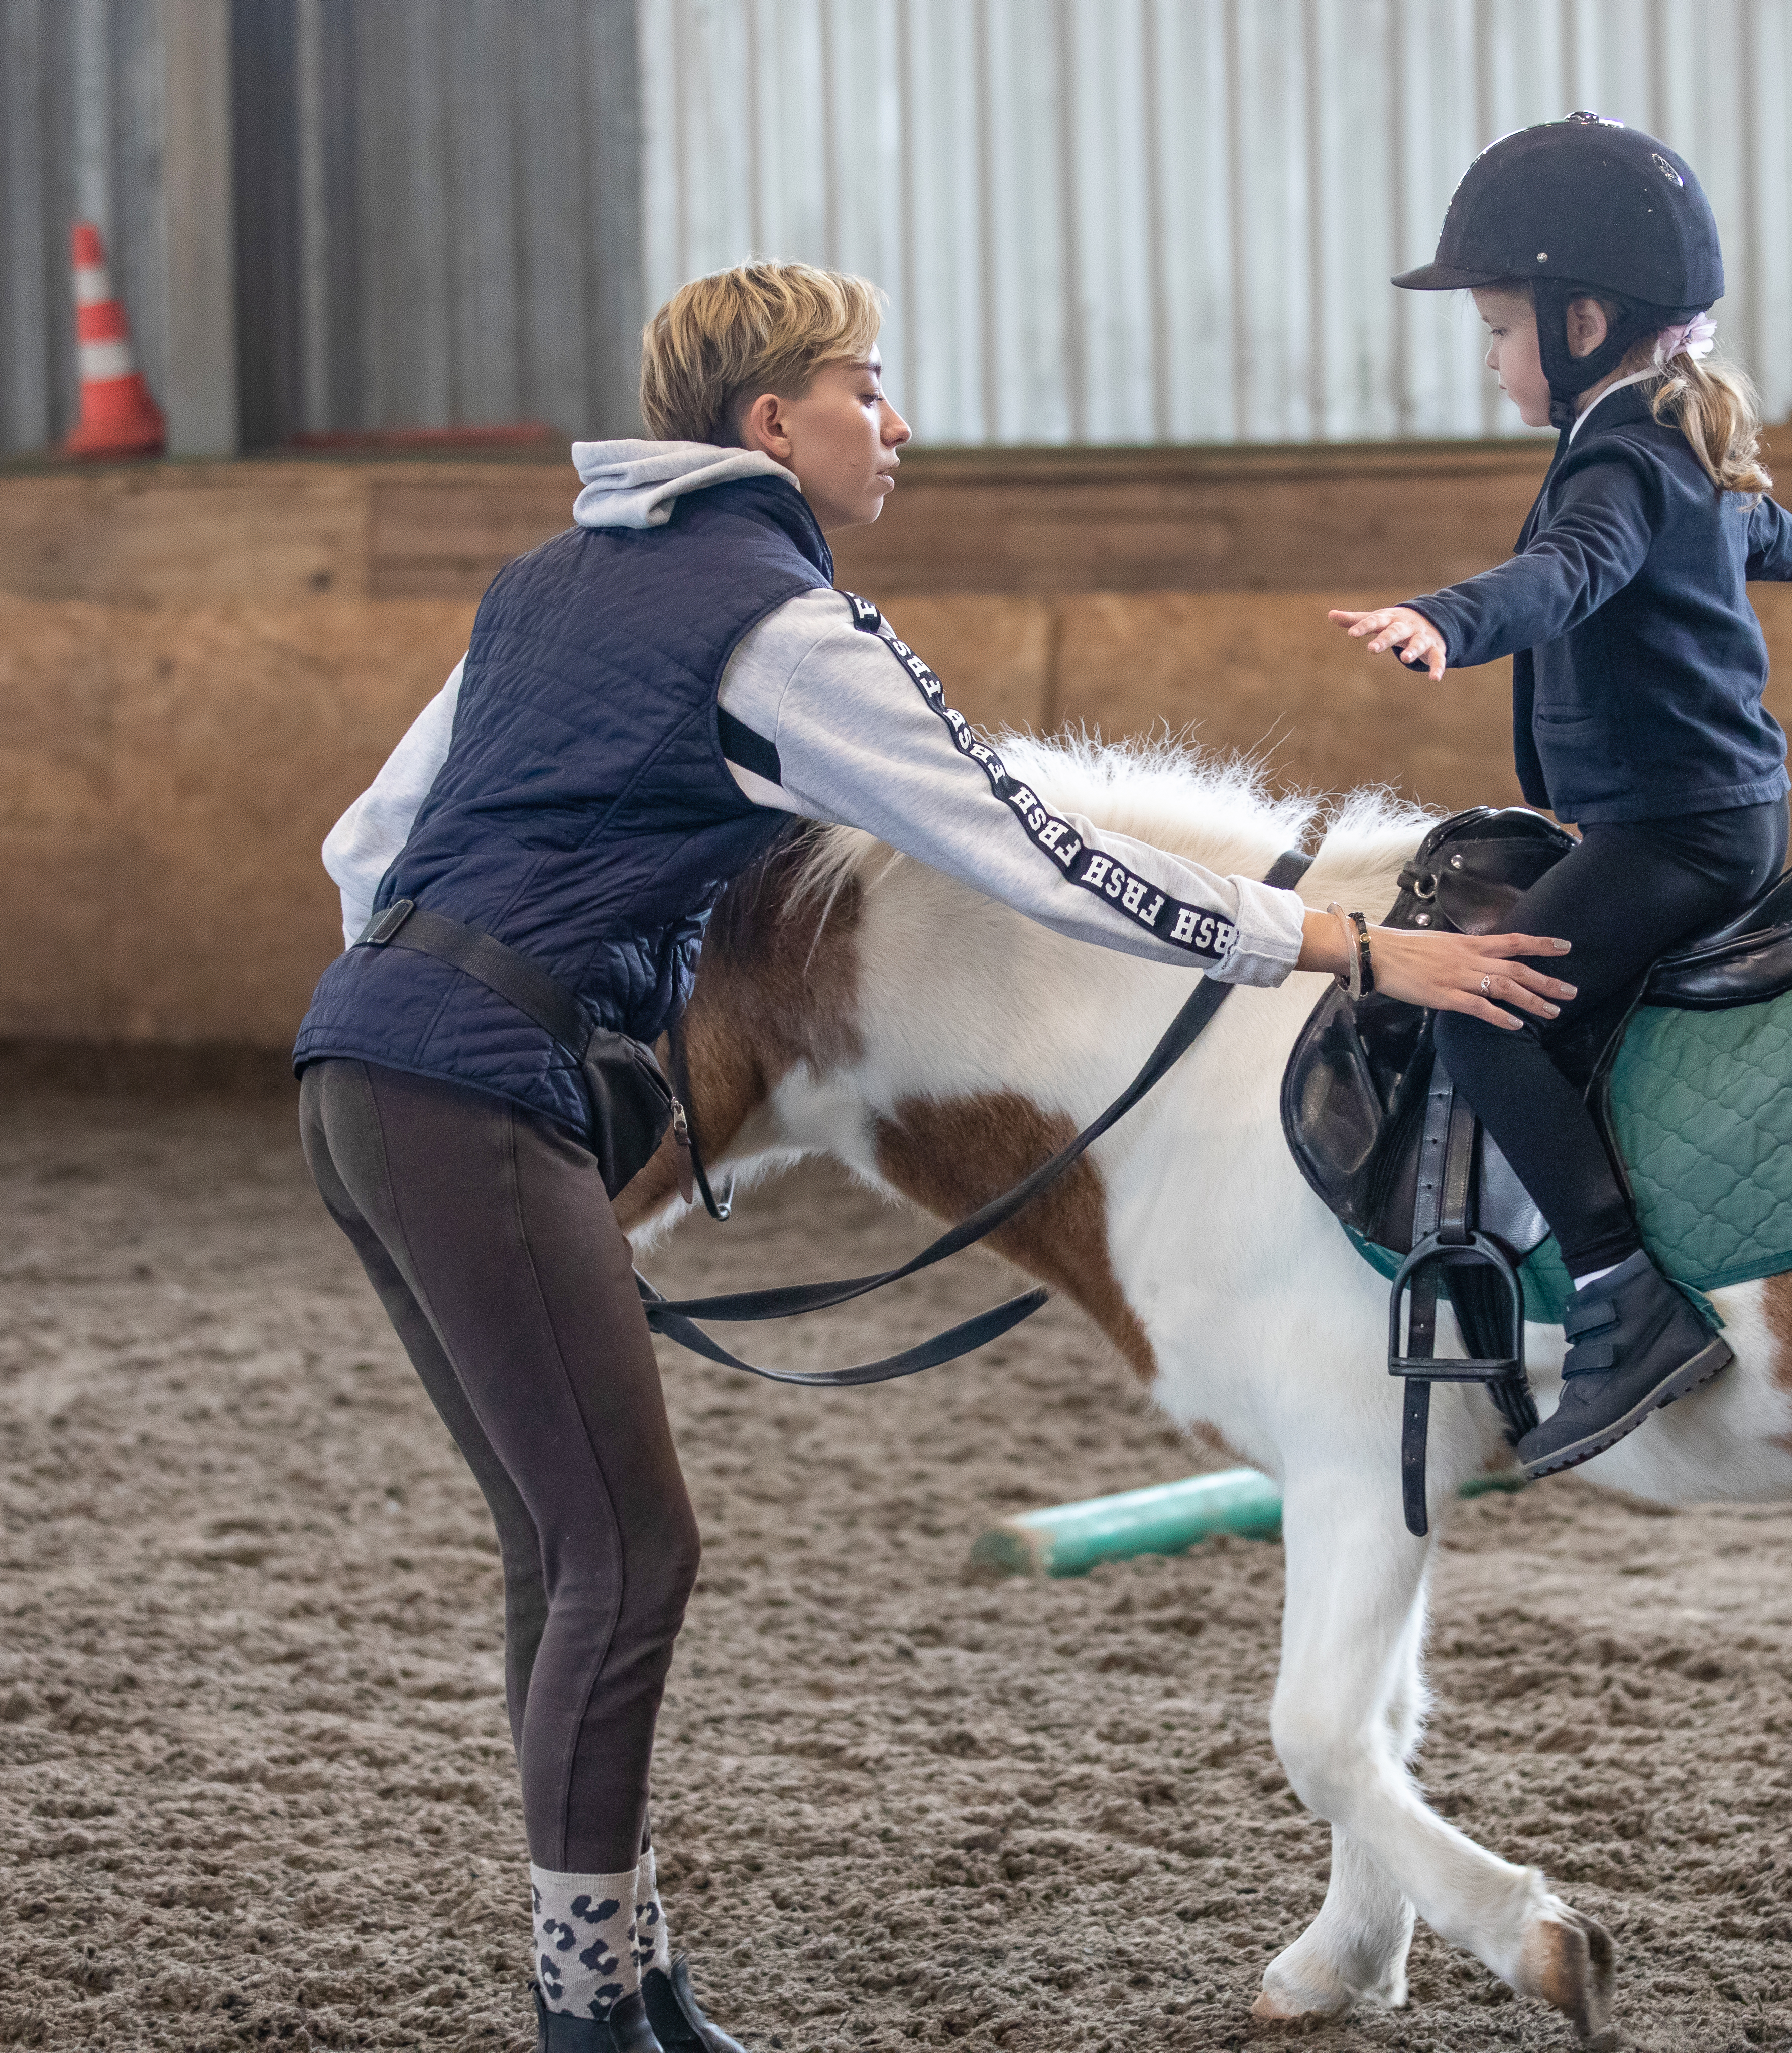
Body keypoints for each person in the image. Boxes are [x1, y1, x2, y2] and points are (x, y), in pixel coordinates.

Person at [291, 262, 1574, 2053]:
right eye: (867, 388)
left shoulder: (545, 585)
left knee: (570, 1548)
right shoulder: (780, 625)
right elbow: (1038, 853)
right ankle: (586, 2011)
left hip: (361, 1073)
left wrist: (444, 1006)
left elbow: (371, 846)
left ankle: (627, 1984)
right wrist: (1342, 946)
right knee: (626, 1555)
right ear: (769, 426)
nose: (897, 423)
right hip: (467, 1093)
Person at [1328, 115, 1792, 1481]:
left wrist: (1448, 619)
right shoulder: (1685, 438)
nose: (1494, 359)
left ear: (1581, 321)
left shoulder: (1620, 460)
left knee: (1479, 1014)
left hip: (1672, 832)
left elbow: (1567, 573)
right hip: (1721, 810)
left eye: (1503, 329)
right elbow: (1761, 528)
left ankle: (1625, 1288)